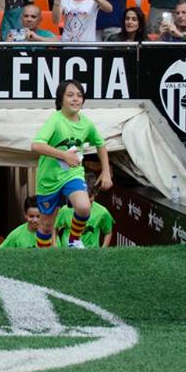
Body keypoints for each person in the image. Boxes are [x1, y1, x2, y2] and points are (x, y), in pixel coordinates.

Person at [31, 79, 111, 248]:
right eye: (70, 95)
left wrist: (106, 171)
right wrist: (63, 155)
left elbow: (100, 144)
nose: (76, 99)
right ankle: (42, 256)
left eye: (79, 95)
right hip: (49, 179)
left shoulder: (86, 124)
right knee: (46, 226)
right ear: (61, 100)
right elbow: (36, 145)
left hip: (72, 174)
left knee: (84, 207)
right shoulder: (55, 120)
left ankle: (74, 240)